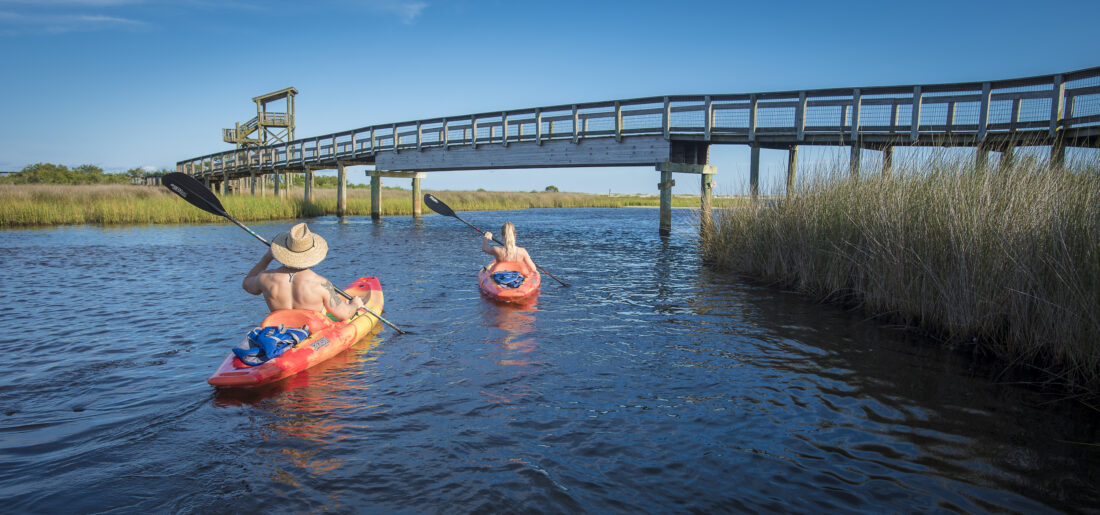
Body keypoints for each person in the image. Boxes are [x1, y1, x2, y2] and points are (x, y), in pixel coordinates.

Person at [242, 222, 366, 320]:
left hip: (280, 330)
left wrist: (267, 257)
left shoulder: (265, 278)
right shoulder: (321, 284)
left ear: (284, 252)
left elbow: (247, 284)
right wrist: (355, 304)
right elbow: (343, 314)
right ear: (311, 255)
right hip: (311, 333)